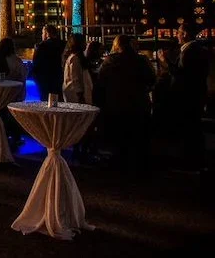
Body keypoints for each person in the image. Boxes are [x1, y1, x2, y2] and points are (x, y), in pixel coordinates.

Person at [96, 34, 156, 174]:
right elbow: (151, 79)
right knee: (138, 137)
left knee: (119, 137)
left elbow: (101, 82)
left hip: (116, 103)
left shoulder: (110, 61)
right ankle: (139, 166)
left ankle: (120, 166)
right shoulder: (141, 60)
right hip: (138, 103)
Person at [171, 23, 211, 171]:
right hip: (196, 96)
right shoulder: (199, 50)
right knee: (194, 129)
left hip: (188, 97)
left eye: (179, 32)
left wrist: (165, 63)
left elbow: (183, 75)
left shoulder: (189, 51)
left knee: (189, 130)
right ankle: (197, 162)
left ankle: (191, 163)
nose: (177, 35)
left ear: (185, 34)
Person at [32, 24, 65, 100]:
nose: (42, 35)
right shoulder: (63, 44)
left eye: (42, 33)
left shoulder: (40, 46)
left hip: (45, 79)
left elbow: (36, 63)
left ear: (47, 34)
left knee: (45, 100)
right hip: (59, 78)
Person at [62, 33, 93, 104]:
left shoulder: (75, 57)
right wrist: (80, 96)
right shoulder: (75, 58)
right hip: (76, 96)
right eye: (84, 42)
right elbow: (75, 79)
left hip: (75, 93)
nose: (86, 43)